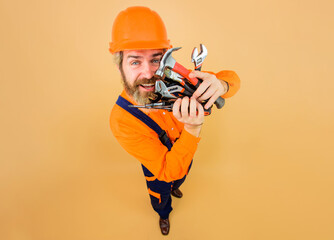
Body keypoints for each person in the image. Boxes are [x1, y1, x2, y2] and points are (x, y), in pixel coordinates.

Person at [108, 6, 240, 235]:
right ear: (119, 65)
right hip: (159, 168)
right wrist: (192, 127)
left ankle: (177, 189)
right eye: (135, 62)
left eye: (155, 60)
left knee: (182, 176)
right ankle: (163, 215)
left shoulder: (177, 79)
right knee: (162, 193)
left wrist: (221, 85)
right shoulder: (121, 121)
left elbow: (232, 79)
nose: (149, 73)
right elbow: (167, 170)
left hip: (185, 152)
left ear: (166, 61)